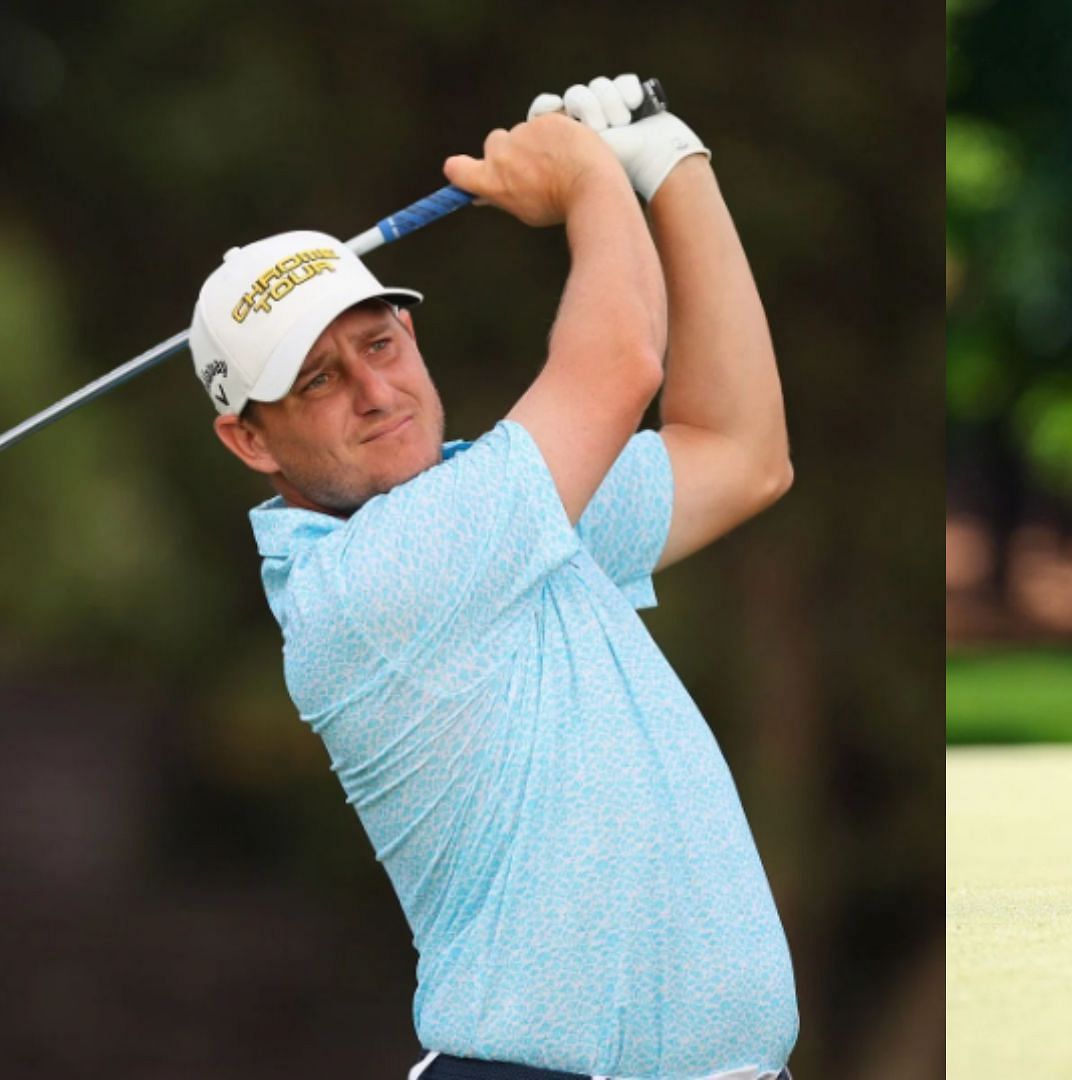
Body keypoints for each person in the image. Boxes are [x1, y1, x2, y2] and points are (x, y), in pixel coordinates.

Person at [190, 74, 798, 1079]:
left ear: (410, 334)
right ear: (249, 440)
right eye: (319, 381)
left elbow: (741, 454)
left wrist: (671, 162)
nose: (376, 391)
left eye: (378, 344)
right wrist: (590, 180)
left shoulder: (504, 507)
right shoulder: (367, 586)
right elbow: (619, 364)